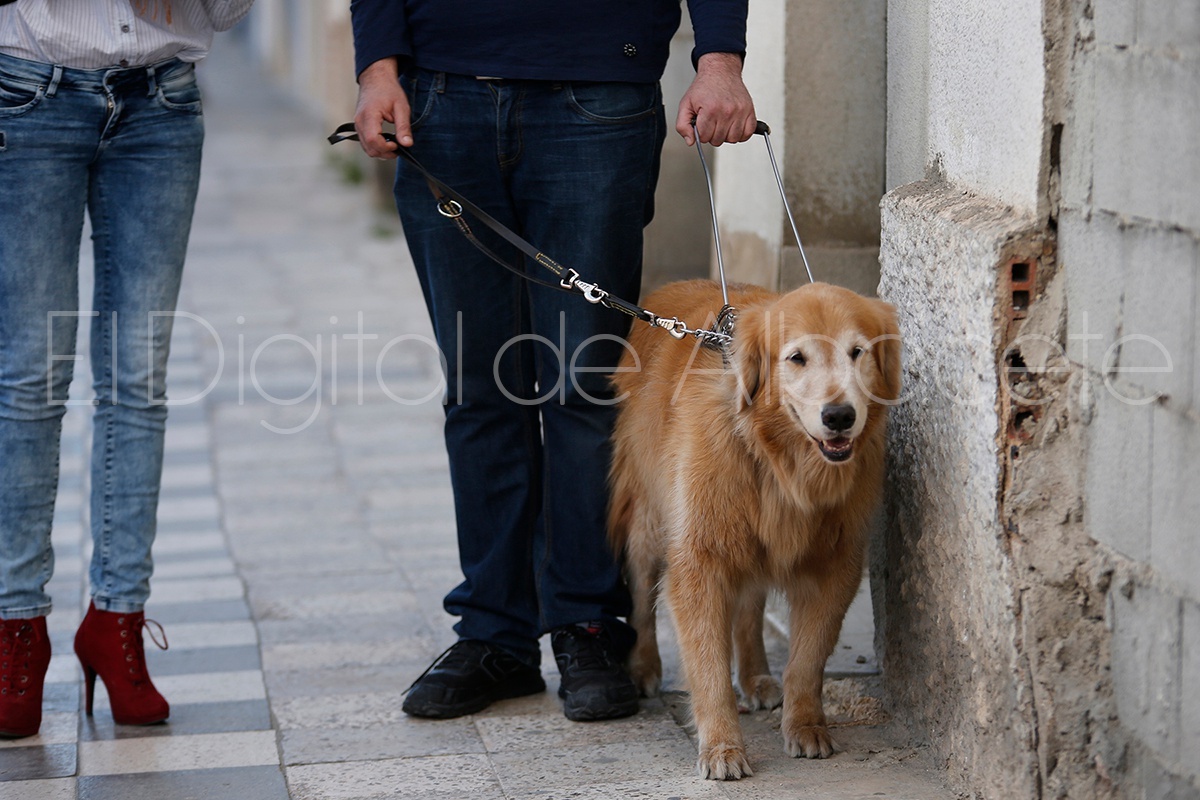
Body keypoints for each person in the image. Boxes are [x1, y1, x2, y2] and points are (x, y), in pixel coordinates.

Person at [350, 1, 756, 721]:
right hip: (441, 98)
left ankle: (590, 626)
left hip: (596, 94)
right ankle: (494, 637)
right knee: (481, 389)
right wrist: (376, 67)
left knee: (586, 386)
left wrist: (720, 58)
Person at [0, 0, 254, 738]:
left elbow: (232, 12)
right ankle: (15, 632)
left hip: (162, 105)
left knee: (138, 381)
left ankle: (116, 623)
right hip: (27, 95)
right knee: (28, 379)